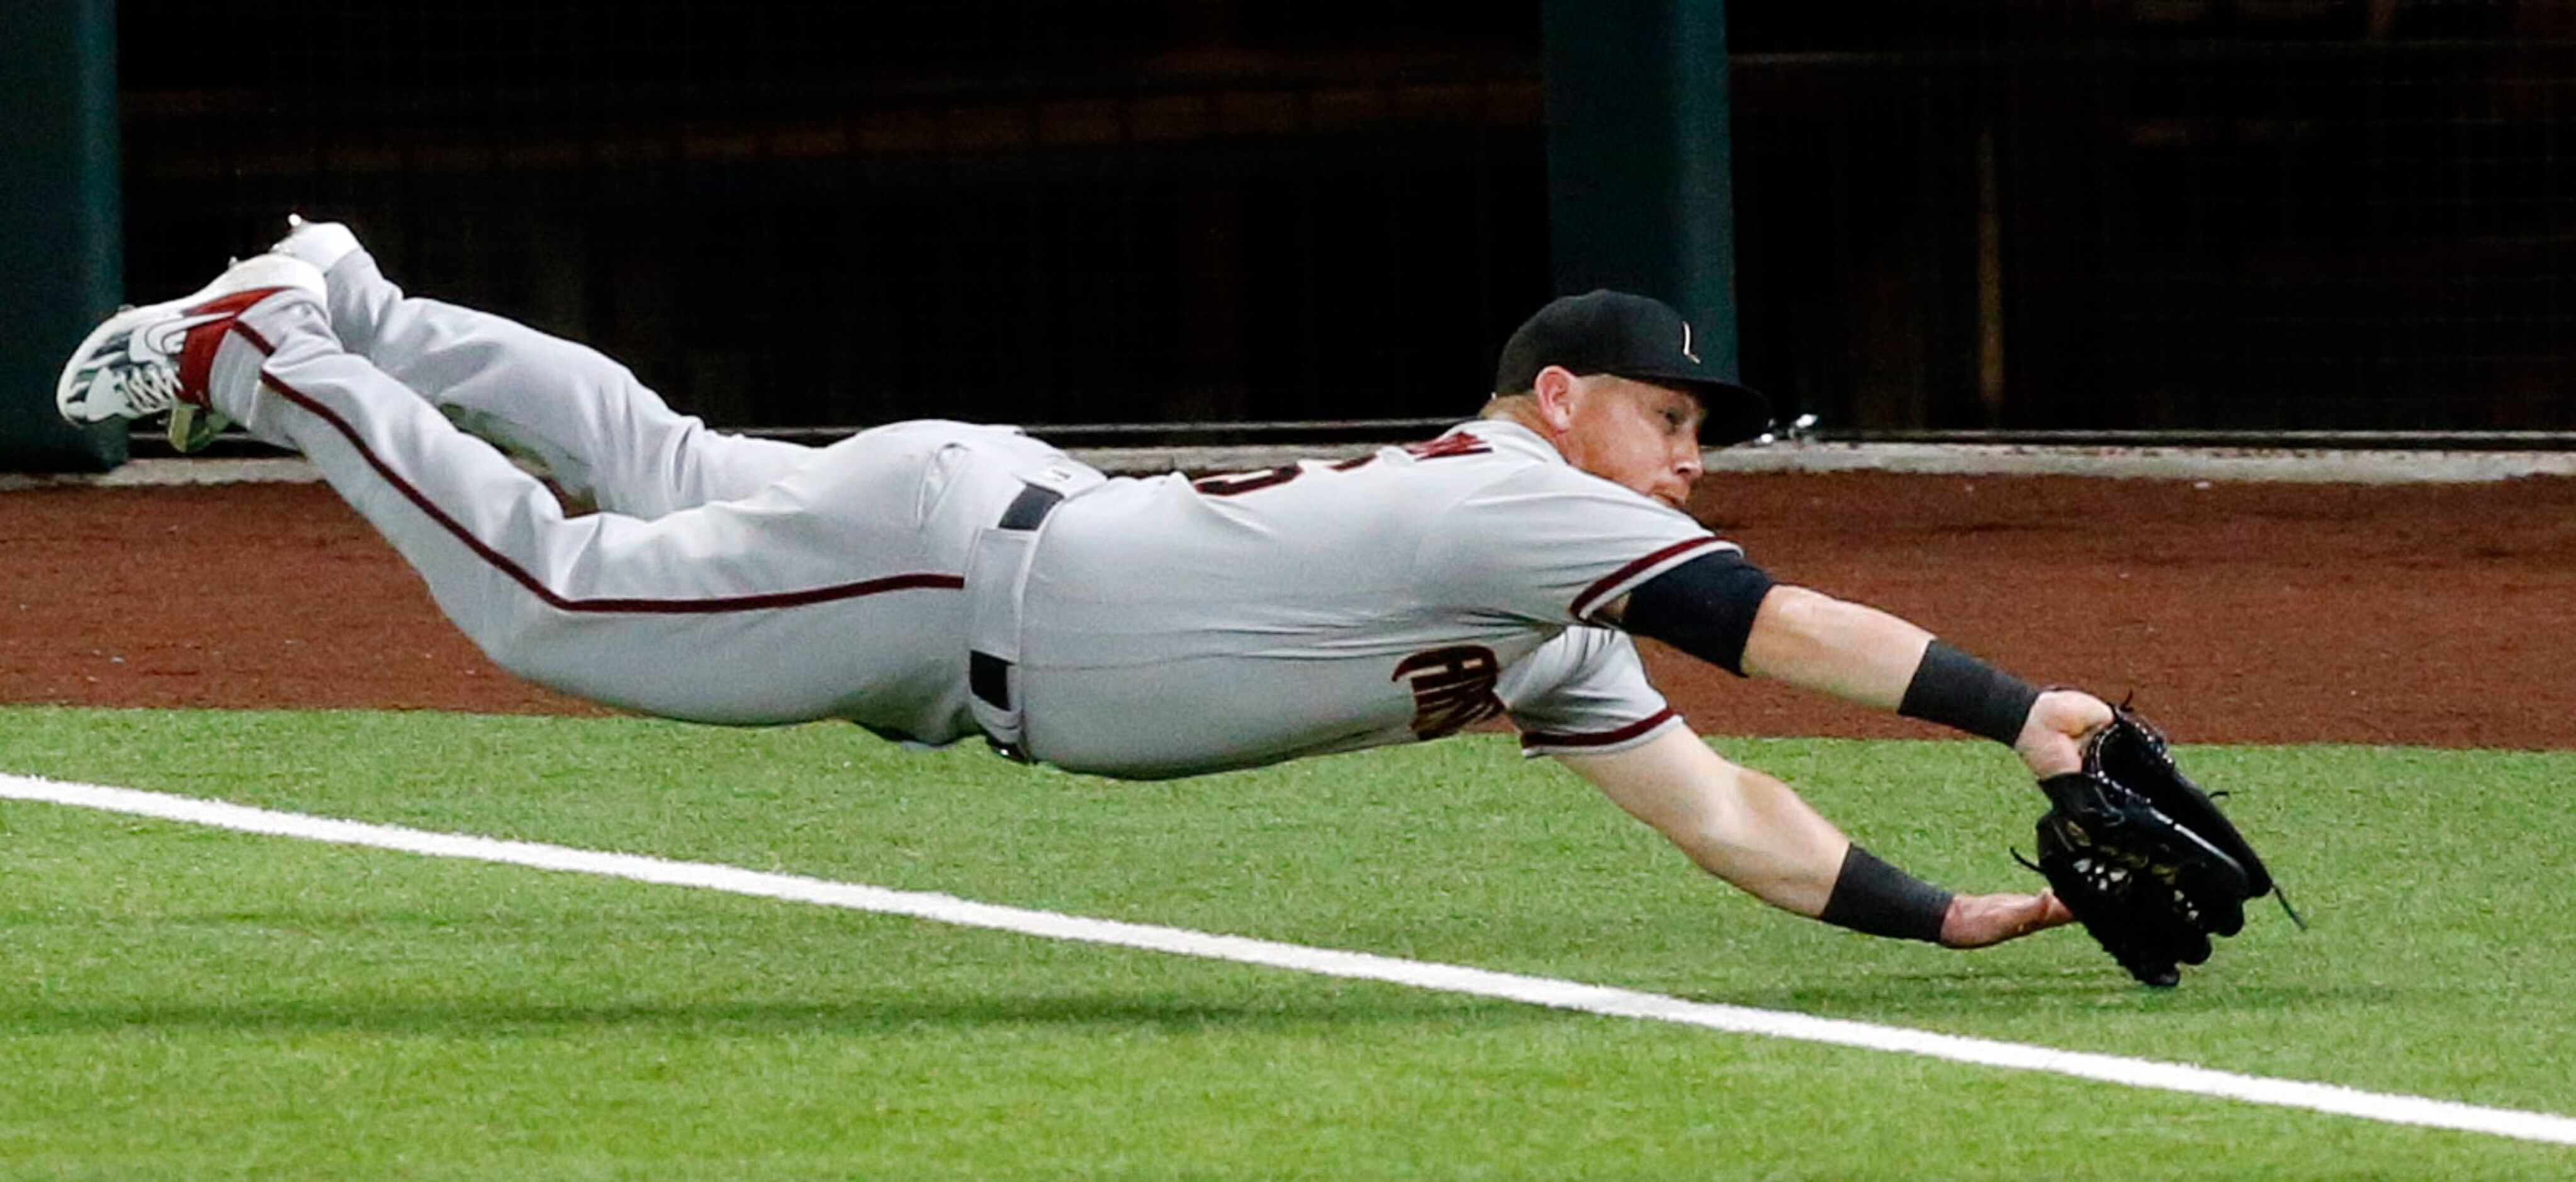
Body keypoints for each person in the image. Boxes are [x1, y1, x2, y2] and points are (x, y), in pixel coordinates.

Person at [58, 218, 2110, 954]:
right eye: (1671, 419)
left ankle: (366, 299)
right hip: (950, 576)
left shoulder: (1545, 603)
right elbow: (1778, 632)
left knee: (662, 466)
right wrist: (2025, 711)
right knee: (560, 601)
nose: (1691, 454)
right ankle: (273, 350)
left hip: (980, 550)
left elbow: (1731, 806)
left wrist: (1944, 918)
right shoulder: (1525, 500)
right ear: (1559, 399)